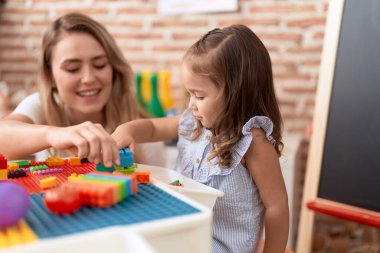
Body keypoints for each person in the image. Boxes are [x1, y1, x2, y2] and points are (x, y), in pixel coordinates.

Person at [111, 24, 289, 253]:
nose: (190, 105)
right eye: (189, 94)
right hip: (183, 236)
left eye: (199, 95)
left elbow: (277, 207)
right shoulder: (193, 123)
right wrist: (128, 130)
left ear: (236, 93)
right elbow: (154, 127)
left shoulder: (253, 143)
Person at [0, 13, 165, 167]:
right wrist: (52, 134)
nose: (88, 78)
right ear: (50, 75)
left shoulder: (140, 129)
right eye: (72, 68)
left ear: (113, 68)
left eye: (100, 65)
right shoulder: (40, 104)